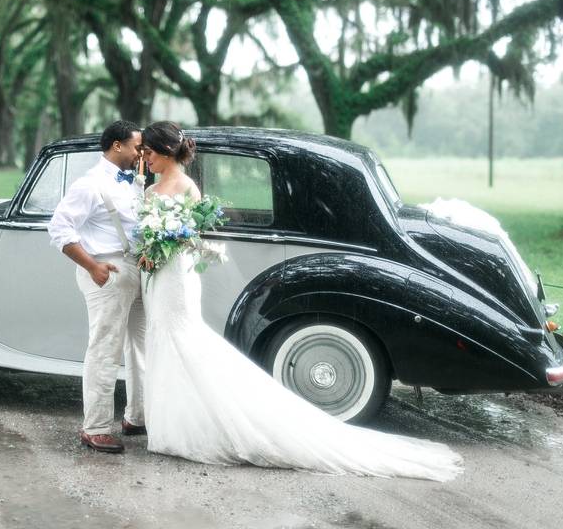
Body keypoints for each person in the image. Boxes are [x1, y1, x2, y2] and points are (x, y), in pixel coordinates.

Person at [137, 121, 463, 481]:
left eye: (149, 152)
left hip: (178, 278)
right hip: (157, 275)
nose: (145, 158)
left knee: (181, 339)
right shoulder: (152, 190)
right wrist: (148, 249)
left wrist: (164, 243)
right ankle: (172, 421)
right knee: (161, 339)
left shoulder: (187, 187)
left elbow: (192, 237)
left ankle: (197, 426)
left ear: (167, 152)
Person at [47, 120, 147, 453]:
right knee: (105, 349)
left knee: (141, 347)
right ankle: (96, 428)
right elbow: (59, 229)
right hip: (107, 270)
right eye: (136, 146)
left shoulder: (134, 180)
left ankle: (137, 416)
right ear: (117, 146)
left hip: (136, 269)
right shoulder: (89, 184)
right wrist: (91, 266)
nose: (140, 152)